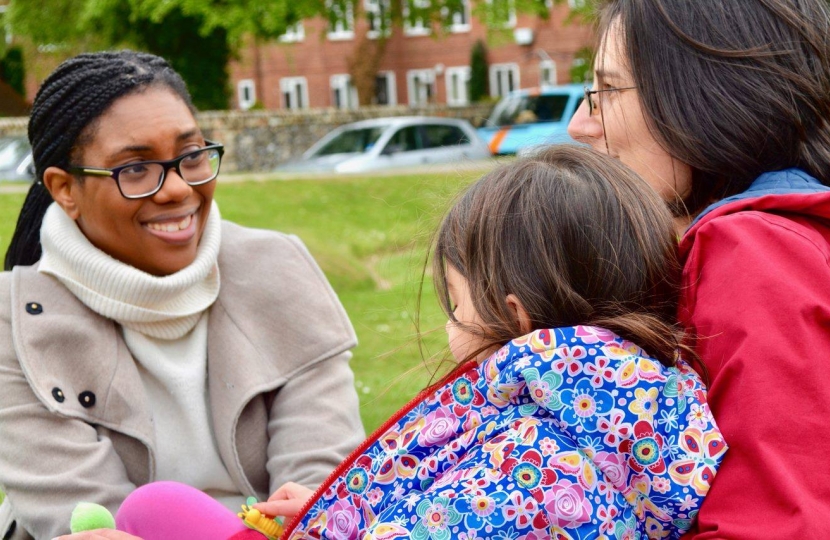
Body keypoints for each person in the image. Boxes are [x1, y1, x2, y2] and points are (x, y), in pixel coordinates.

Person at [87, 146, 726, 540]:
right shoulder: (605, 409)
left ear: (513, 316)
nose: (448, 327)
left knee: (154, 510)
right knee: (159, 505)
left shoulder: (537, 471)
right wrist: (340, 509)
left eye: (454, 302)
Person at [0, 50, 365, 540]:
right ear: (65, 188)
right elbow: (87, 517)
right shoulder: (13, 321)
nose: (176, 189)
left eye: (190, 157)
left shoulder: (278, 269)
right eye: (135, 169)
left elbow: (320, 488)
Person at [567, 0, 830, 536]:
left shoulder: (753, 253)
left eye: (608, 91)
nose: (580, 126)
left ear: (710, 96)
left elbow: (775, 524)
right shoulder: (794, 234)